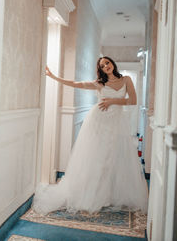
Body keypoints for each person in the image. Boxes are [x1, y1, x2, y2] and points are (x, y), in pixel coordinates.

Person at [32, 56, 148, 215]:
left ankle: (106, 194)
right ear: (100, 69)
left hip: (115, 124)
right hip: (98, 122)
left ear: (112, 63)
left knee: (111, 158)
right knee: (97, 158)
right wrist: (54, 77)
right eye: (102, 65)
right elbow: (77, 84)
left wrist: (112, 101)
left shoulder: (126, 80)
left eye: (107, 62)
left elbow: (133, 100)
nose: (106, 66)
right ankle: (91, 195)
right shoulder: (100, 83)